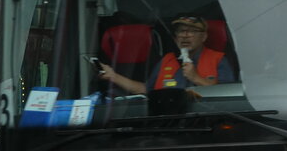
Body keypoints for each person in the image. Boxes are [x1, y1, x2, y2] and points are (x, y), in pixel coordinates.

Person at [98, 15, 233, 94]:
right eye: (181, 31)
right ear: (175, 38)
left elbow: (228, 95)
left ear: (204, 37)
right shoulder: (167, 60)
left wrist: (196, 78)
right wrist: (113, 76)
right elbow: (146, 89)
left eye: (192, 31)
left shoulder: (218, 59)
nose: (185, 36)